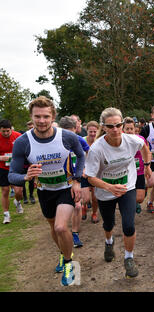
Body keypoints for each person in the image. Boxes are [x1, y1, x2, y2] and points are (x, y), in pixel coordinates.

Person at [8, 96, 85, 286]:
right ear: (31, 117)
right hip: (44, 191)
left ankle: (70, 265)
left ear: (52, 116)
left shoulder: (66, 136)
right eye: (37, 117)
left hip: (66, 188)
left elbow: (81, 155)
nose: (41, 121)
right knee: (53, 227)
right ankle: (63, 254)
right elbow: (12, 175)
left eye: (45, 116)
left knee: (61, 226)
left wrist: (77, 180)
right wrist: (26, 177)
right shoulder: (22, 142)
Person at [85, 107, 151, 278]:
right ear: (103, 127)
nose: (115, 129)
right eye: (110, 126)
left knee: (128, 225)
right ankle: (109, 242)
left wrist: (147, 164)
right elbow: (90, 177)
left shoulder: (132, 140)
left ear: (122, 124)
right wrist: (109, 187)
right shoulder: (97, 149)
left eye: (118, 125)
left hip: (127, 187)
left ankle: (129, 258)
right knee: (109, 224)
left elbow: (144, 146)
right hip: (105, 192)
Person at [59, 116, 90, 248]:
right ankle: (66, 232)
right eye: (64, 131)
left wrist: (84, 168)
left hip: (77, 177)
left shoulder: (79, 140)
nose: (68, 135)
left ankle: (75, 233)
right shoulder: (57, 142)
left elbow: (88, 153)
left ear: (76, 129)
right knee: (75, 206)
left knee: (81, 203)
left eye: (70, 131)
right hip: (63, 180)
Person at [123, 117, 149, 214]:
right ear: (123, 130)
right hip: (126, 173)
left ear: (135, 129)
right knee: (128, 195)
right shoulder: (120, 141)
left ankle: (134, 202)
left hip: (139, 171)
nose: (129, 131)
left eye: (131, 129)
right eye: (127, 129)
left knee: (140, 198)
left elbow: (147, 153)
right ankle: (130, 205)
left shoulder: (141, 139)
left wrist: (148, 167)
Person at [0, 119, 24, 224]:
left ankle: (17, 201)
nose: (5, 133)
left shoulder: (18, 136)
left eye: (7, 131)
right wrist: (0, 158)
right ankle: (6, 215)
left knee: (19, 192)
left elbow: (25, 149)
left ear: (11, 129)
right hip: (2, 168)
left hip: (16, 167)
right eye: (3, 131)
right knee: (5, 190)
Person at [81, 121, 100, 223]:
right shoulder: (82, 141)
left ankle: (94, 213)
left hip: (96, 173)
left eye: (94, 132)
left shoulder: (100, 142)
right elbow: (77, 157)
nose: (92, 134)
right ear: (86, 131)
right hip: (84, 172)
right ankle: (83, 206)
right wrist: (81, 169)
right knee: (85, 198)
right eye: (90, 131)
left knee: (95, 197)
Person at [22, 121, 36, 205]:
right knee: (23, 180)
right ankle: (24, 197)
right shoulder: (24, 137)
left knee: (31, 181)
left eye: (32, 127)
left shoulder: (38, 137)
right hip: (23, 163)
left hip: (32, 162)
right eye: (29, 127)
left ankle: (31, 195)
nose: (30, 129)